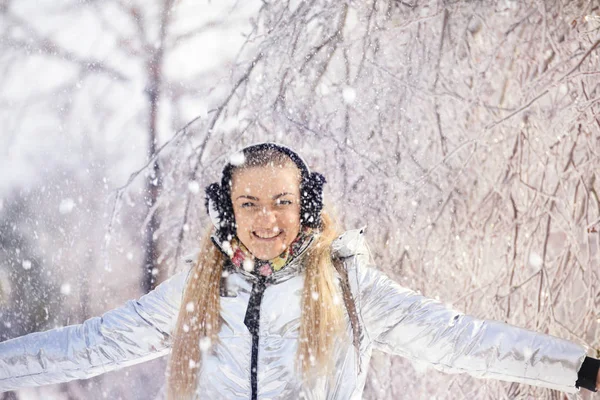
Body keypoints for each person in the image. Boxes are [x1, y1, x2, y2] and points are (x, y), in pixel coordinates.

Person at [0, 142, 598, 399]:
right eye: (249, 204)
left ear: (306, 207)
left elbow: (462, 340)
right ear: (227, 214)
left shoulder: (347, 287)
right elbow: (90, 345)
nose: (267, 220)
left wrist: (582, 370)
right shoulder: (197, 292)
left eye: (282, 202)